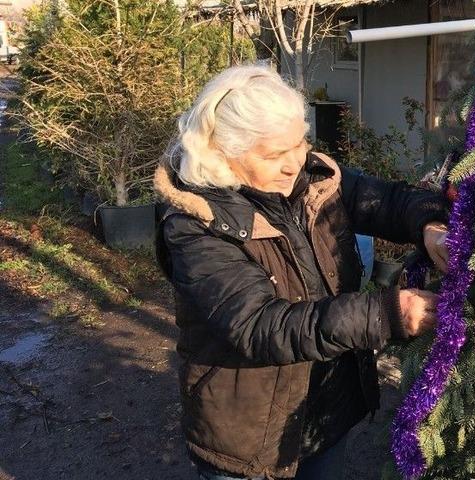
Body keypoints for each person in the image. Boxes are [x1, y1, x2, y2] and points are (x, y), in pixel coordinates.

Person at [153, 65, 450, 480]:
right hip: (252, 434)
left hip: (327, 409)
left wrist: (429, 227)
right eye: (274, 154)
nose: (295, 162)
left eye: (300, 143)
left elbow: (383, 201)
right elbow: (259, 325)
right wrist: (384, 314)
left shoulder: (315, 178)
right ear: (226, 153)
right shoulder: (195, 223)